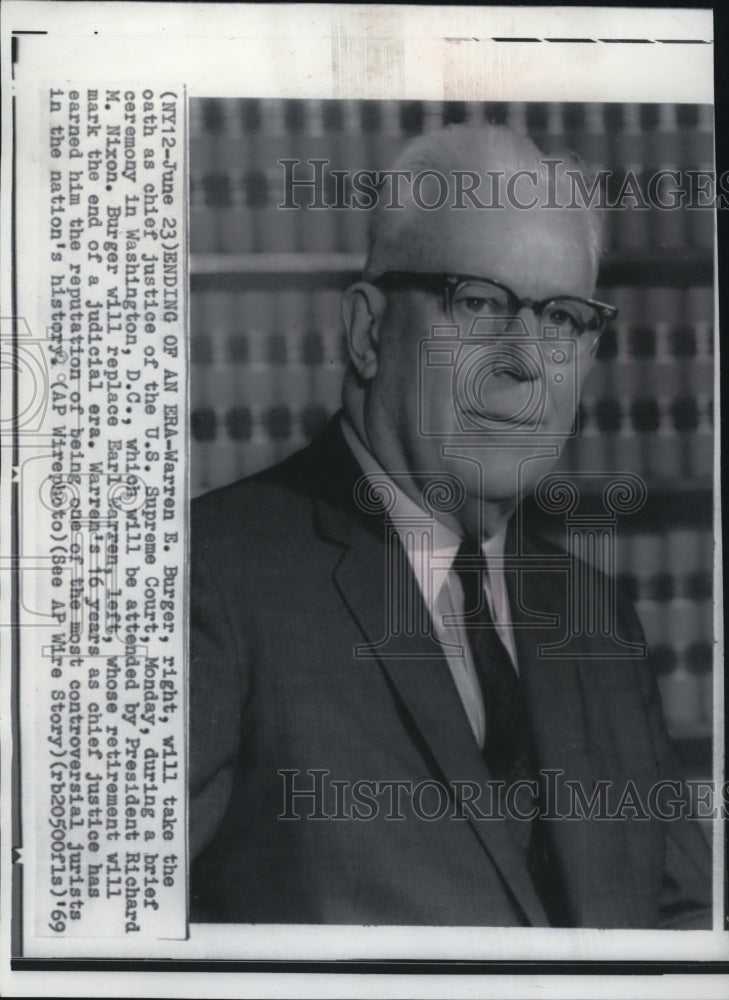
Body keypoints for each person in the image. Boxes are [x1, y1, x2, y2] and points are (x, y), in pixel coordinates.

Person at [189, 124, 711, 927]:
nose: (525, 360)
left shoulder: (598, 619)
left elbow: (682, 937)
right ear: (367, 333)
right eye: (477, 301)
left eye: (564, 318)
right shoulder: (211, 581)